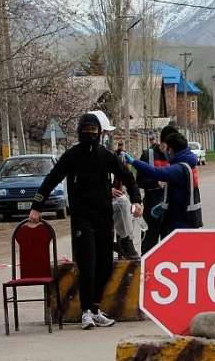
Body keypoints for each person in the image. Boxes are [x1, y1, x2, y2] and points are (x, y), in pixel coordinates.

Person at [28, 112, 143, 330]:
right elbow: (51, 179)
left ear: (100, 133)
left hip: (103, 219)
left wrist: (137, 200)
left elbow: (128, 177)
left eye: (94, 131)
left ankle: (96, 309)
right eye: (86, 131)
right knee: (87, 265)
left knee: (105, 266)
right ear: (80, 132)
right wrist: (37, 206)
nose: (90, 134)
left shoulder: (107, 156)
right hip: (82, 220)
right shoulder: (71, 156)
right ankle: (85, 312)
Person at [124, 132, 202, 236]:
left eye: (168, 149)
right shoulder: (189, 162)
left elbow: (157, 172)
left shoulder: (180, 168)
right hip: (184, 216)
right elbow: (178, 191)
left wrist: (134, 162)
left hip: (182, 220)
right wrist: (164, 205)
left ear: (171, 150)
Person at [136, 134, 170, 254]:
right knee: (149, 244)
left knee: (168, 245)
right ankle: (147, 269)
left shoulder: (173, 155)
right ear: (160, 141)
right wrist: (156, 182)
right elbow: (139, 181)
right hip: (151, 204)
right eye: (165, 144)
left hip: (168, 207)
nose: (167, 148)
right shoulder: (147, 155)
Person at [112, 141, 140, 260]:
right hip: (91, 206)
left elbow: (130, 180)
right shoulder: (80, 157)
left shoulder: (112, 159)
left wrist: (136, 201)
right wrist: (106, 190)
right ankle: (125, 241)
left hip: (109, 203)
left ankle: (127, 241)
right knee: (121, 202)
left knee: (127, 206)